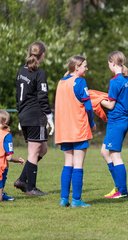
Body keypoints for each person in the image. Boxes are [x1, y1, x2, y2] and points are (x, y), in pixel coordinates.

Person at [55, 55, 96, 208]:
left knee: (68, 163)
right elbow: (89, 107)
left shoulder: (61, 82)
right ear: (77, 66)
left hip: (64, 129)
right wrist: (92, 123)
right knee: (78, 164)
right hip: (78, 127)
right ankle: (76, 200)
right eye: (85, 65)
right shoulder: (79, 82)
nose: (87, 68)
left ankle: (64, 198)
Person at [14, 41, 54, 196]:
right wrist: (49, 116)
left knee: (42, 149)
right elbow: (42, 97)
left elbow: (18, 96)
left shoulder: (20, 71)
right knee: (34, 151)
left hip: (25, 115)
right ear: (42, 54)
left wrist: (20, 114)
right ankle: (31, 187)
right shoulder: (39, 73)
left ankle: (22, 180)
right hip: (35, 116)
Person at [100, 51, 128, 199]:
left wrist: (96, 99)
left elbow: (111, 105)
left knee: (115, 155)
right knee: (104, 152)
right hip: (123, 120)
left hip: (117, 121)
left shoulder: (115, 81)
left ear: (112, 63)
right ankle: (118, 187)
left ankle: (122, 190)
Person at [0, 110, 25, 201]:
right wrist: (18, 160)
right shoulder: (7, 136)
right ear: (5, 122)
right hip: (1, 167)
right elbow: (9, 158)